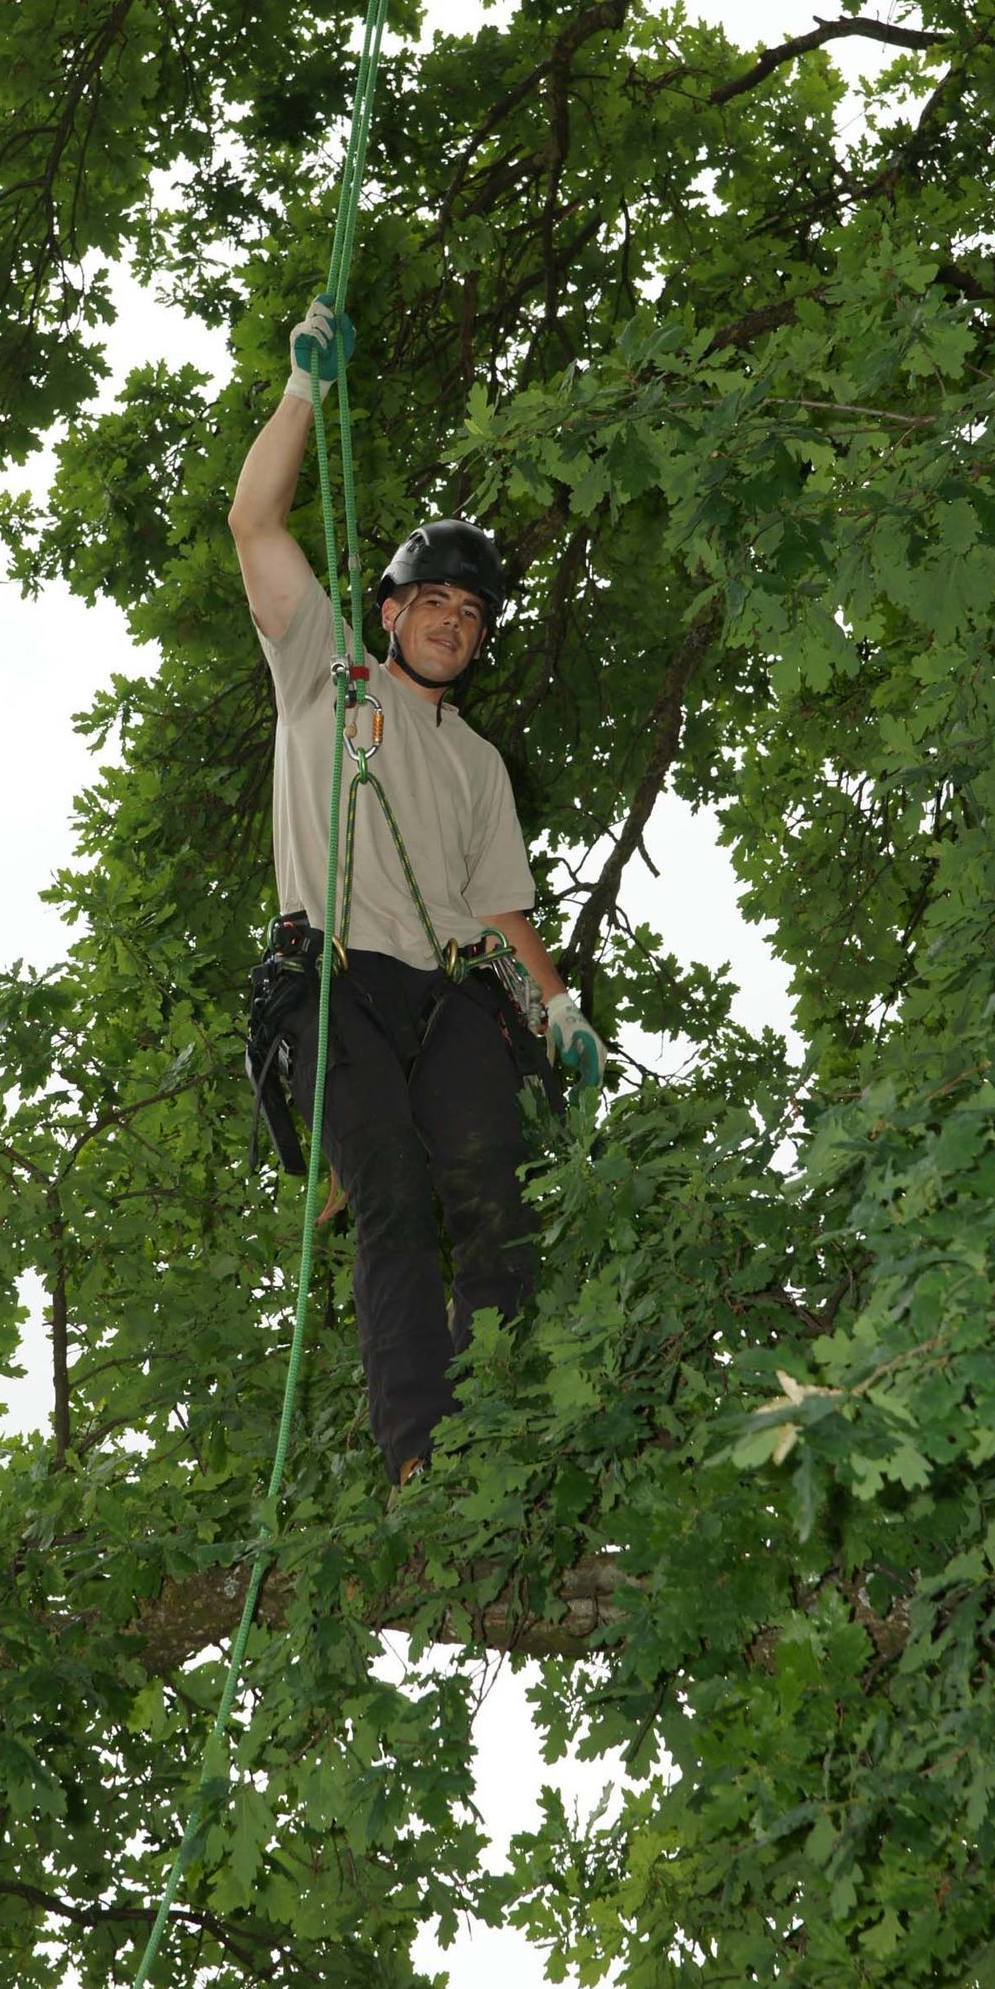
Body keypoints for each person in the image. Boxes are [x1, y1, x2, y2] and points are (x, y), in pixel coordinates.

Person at [228, 295, 603, 1488]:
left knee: (493, 1197)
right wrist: (303, 390)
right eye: (433, 602)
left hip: (445, 1001)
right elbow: (253, 522)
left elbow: (501, 914)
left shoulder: (479, 764)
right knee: (388, 1190)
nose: (452, 622)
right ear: (392, 612)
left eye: (472, 614)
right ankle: (417, 1456)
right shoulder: (325, 675)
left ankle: (494, 1426)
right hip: (335, 983)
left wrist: (560, 1012)